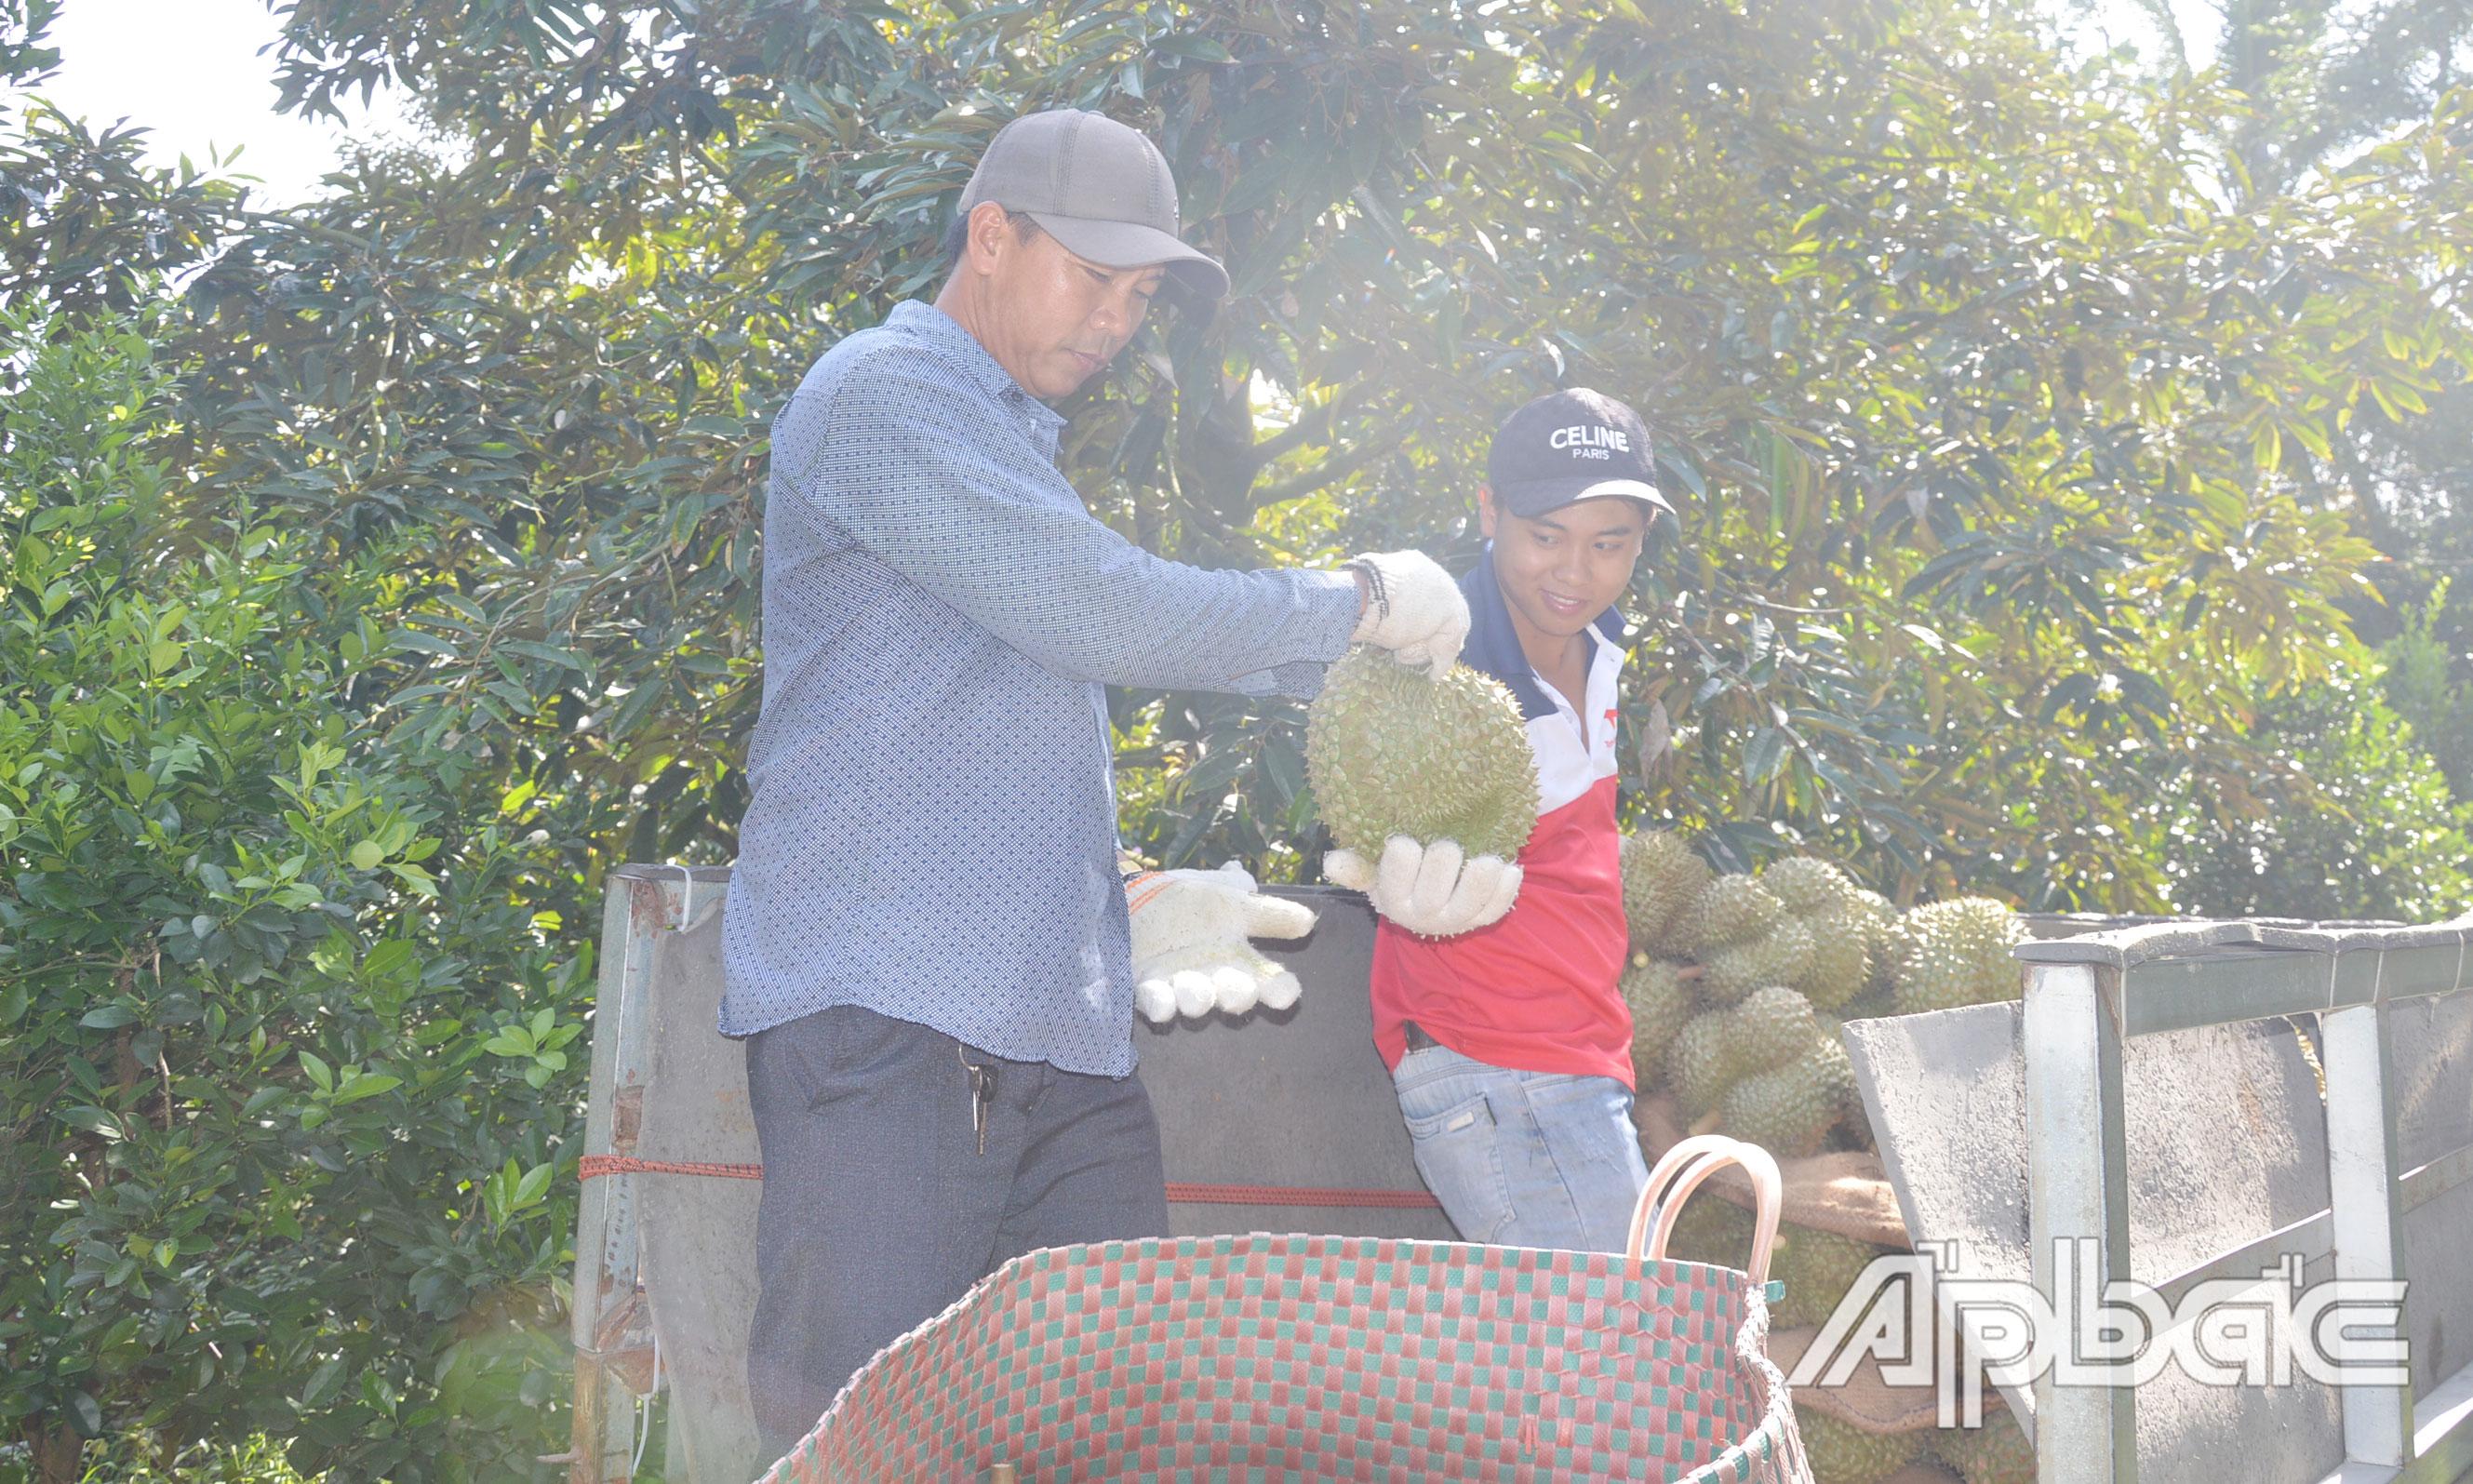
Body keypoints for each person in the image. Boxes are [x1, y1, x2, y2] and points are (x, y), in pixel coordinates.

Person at [718, 107, 1494, 1457]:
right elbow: (1098, 613)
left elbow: (998, 715)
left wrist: (1121, 891)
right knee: (870, 1441)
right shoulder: (884, 392)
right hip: (889, 1026)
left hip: (1055, 1045)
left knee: (1119, 1427)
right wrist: (1351, 600)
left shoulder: (1012, 441)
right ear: (991, 236)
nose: (1115, 319)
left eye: (1140, 297)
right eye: (1094, 276)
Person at [1361, 387, 1672, 1253]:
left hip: (1579, 1055)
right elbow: (1374, 840)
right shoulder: (1435, 673)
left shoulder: (1602, 644)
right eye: (1547, 537)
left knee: (1583, 1369)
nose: (1576, 572)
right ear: (1490, 510)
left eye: (1609, 544)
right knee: (1610, 1362)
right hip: (1500, 1065)